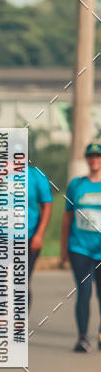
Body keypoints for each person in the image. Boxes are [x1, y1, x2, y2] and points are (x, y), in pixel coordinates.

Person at [0, 159, 53, 339]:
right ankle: (0, 324)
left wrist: (40, 234)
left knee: (21, 282)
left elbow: (47, 205)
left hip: (27, 236)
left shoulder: (36, 175)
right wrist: (3, 174)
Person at [61, 142, 101, 353]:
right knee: (84, 292)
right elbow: (67, 217)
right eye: (91, 156)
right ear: (87, 159)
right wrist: (63, 249)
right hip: (80, 248)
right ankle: (83, 337)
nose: (94, 159)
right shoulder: (76, 185)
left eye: (98, 156)